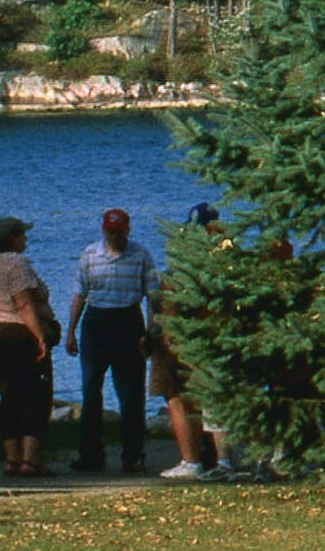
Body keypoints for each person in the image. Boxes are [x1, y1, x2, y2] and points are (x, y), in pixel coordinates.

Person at [70, 204, 160, 473]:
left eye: (119, 233)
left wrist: (150, 331)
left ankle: (133, 455)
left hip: (128, 321)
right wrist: (71, 331)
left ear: (127, 231)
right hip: (96, 321)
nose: (115, 237)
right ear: (104, 230)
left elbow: (153, 297)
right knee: (90, 390)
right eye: (111, 232)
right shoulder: (90, 254)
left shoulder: (141, 255)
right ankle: (91, 455)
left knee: (131, 394)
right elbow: (80, 294)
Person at [0, 216, 57, 478]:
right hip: (18, 333)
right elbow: (23, 303)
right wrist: (39, 336)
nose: (26, 238)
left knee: (10, 395)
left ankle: (11, 459)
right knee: (37, 395)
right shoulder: (18, 263)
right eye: (22, 234)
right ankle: (30, 460)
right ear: (13, 237)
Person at [150, 203, 226, 479]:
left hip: (194, 340)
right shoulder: (225, 260)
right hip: (209, 337)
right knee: (206, 402)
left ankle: (200, 461)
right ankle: (217, 460)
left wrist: (169, 336)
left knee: (187, 400)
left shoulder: (187, 266)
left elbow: (169, 300)